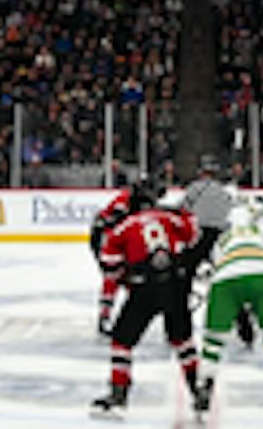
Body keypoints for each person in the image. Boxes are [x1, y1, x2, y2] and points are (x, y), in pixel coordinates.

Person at [91, 191, 202, 417]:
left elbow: (109, 264)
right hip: (175, 283)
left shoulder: (123, 226)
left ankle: (118, 394)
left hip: (144, 286)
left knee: (121, 342)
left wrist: (126, 276)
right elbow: (193, 233)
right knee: (183, 341)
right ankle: (197, 391)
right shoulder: (168, 217)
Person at [193, 194, 263, 416]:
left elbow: (213, 269)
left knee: (214, 339)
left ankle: (205, 389)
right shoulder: (262, 230)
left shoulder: (223, 238)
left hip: (225, 282)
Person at [90, 178, 152, 334]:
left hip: (120, 242)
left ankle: (126, 317)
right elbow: (113, 228)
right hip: (107, 241)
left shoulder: (140, 201)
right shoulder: (123, 201)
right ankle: (104, 317)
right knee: (113, 278)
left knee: (133, 281)